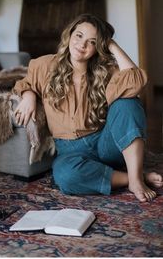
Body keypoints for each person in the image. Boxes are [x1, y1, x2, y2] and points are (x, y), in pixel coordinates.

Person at [13, 13, 163, 202]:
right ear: (70, 34)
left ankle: (133, 177)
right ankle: (133, 178)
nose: (82, 45)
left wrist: (111, 43)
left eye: (92, 42)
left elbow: (136, 82)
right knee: (65, 176)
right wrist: (28, 96)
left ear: (98, 47)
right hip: (70, 151)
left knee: (128, 102)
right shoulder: (44, 65)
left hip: (105, 143)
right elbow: (24, 84)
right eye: (79, 35)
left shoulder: (105, 70)